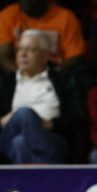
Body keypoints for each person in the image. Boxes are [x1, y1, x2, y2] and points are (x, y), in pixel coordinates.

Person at [0, 29, 69, 163]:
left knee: (19, 143)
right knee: (24, 113)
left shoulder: (62, 81)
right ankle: (46, 166)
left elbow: (76, 118)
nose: (23, 54)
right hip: (8, 139)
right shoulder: (5, 83)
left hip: (51, 137)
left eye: (30, 50)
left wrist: (52, 124)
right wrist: (2, 121)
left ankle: (23, 183)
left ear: (45, 55)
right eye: (19, 49)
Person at [0, 0, 85, 73]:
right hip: (18, 77)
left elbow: (76, 57)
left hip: (56, 76)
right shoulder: (7, 16)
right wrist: (24, 78)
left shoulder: (66, 18)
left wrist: (51, 76)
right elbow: (3, 57)